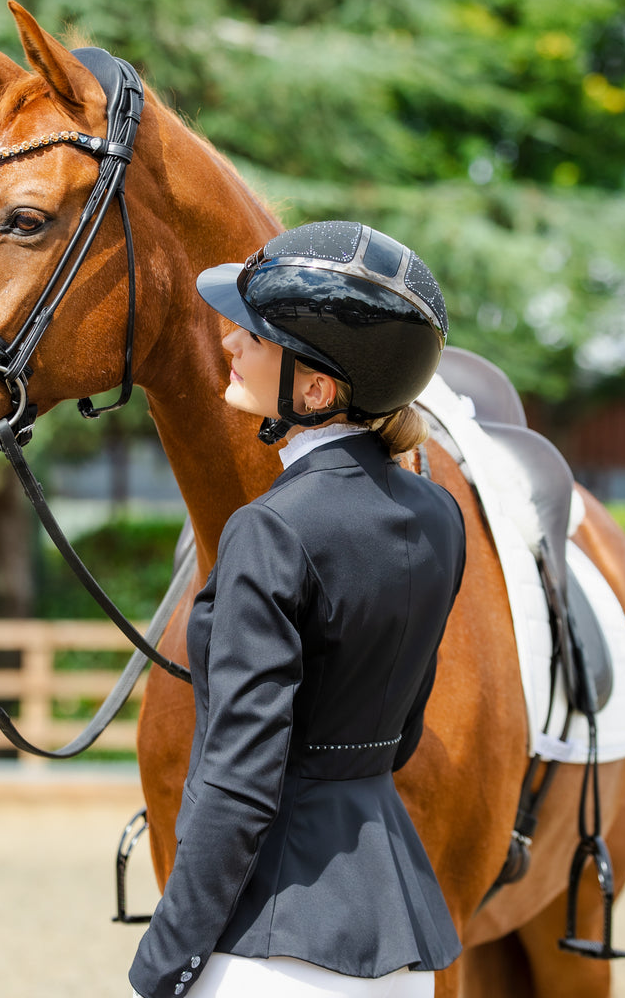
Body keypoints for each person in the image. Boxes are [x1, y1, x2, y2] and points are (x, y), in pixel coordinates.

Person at [129, 220, 467, 998]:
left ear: (316, 391)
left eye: (257, 332)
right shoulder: (437, 515)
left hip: (273, 943)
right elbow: (403, 727)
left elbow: (242, 780)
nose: (231, 341)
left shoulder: (270, 529)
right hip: (398, 938)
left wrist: (166, 961)